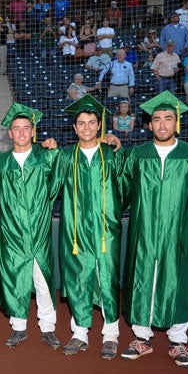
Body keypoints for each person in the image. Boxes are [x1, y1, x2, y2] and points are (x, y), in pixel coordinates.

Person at [120, 91, 188, 367]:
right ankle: (142, 338)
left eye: (168, 118)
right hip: (143, 232)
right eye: (156, 119)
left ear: (177, 122)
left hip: (177, 234)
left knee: (176, 281)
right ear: (149, 124)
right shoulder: (138, 155)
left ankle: (178, 341)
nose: (162, 124)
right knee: (142, 279)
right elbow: (122, 193)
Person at [49, 95, 124, 360]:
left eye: (92, 122)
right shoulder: (66, 156)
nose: (87, 127)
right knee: (78, 278)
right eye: (81, 123)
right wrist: (46, 153)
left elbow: (125, 189)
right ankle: (79, 333)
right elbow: (49, 189)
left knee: (107, 279)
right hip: (76, 232)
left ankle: (111, 334)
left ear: (100, 125)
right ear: (74, 127)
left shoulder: (113, 154)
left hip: (106, 231)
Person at [0, 103, 61, 351]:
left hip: (40, 231)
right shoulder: (0, 163)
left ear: (33, 132)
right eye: (16, 128)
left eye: (26, 128)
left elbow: (56, 186)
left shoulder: (46, 158)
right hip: (12, 234)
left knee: (43, 282)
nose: (22, 132)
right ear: (9, 133)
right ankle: (19, 328)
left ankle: (48, 328)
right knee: (17, 280)